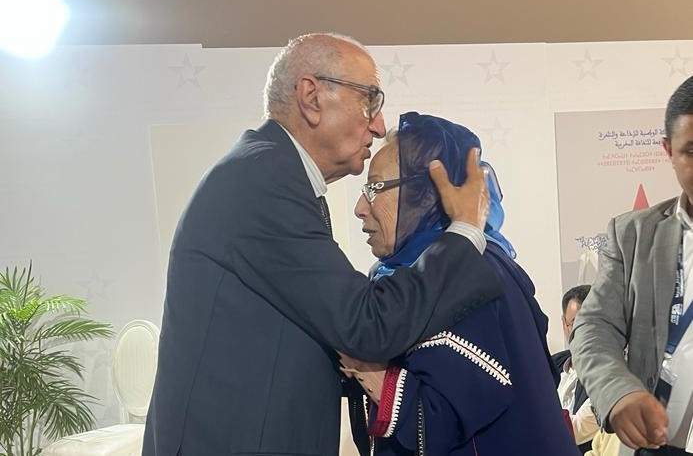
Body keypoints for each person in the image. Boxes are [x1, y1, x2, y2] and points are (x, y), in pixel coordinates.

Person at [142, 33, 503, 456]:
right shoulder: (262, 180)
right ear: (311, 97)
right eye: (369, 99)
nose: (379, 124)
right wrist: (464, 230)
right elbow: (367, 325)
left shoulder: (270, 173)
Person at [340, 111, 579, 456]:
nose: (360, 207)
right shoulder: (482, 263)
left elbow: (438, 421)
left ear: (426, 194)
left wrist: (367, 369)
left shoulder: (462, 276)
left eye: (374, 188)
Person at [571, 75, 693, 456]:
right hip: (648, 447)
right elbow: (593, 327)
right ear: (668, 151)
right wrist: (617, 391)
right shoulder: (633, 235)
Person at [552, 284, 600, 454]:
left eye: (587, 323)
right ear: (564, 325)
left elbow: (576, 429)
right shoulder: (551, 364)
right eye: (574, 324)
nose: (581, 332)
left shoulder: (610, 375)